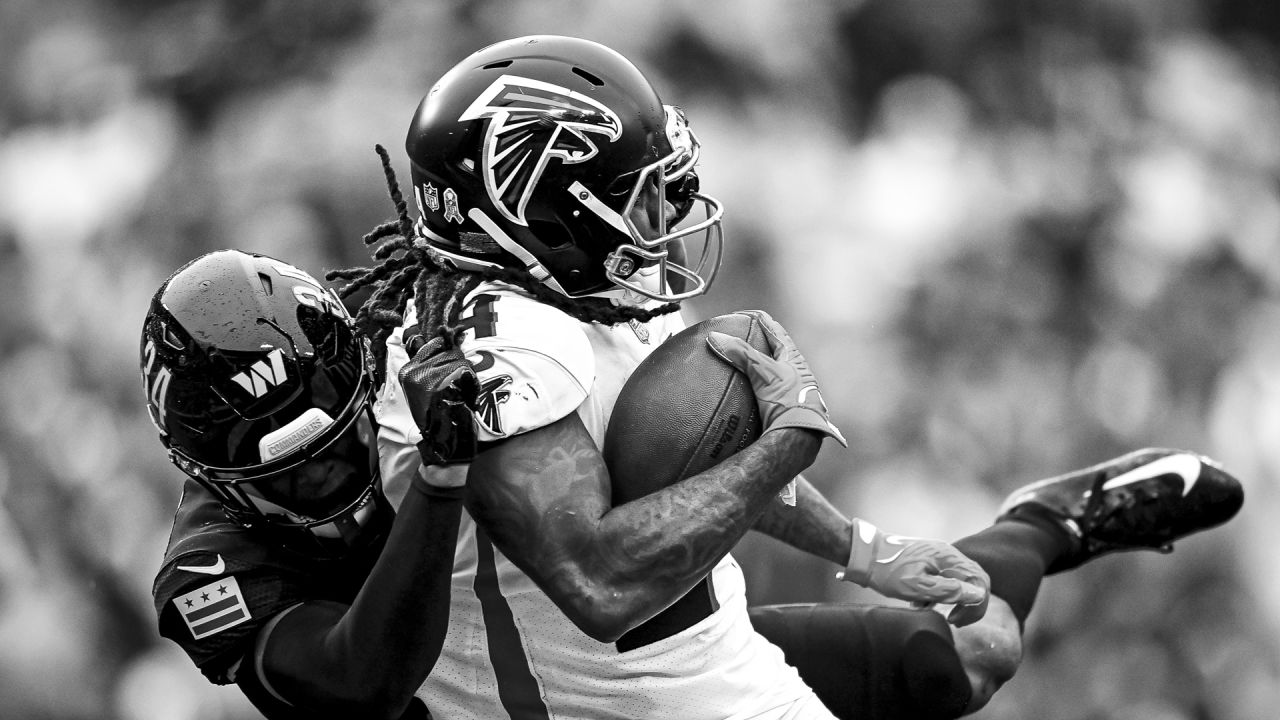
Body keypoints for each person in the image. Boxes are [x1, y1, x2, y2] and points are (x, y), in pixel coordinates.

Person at [330, 34, 1243, 720]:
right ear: (534, 205)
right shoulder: (486, 353)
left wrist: (869, 552)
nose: (664, 215)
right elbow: (599, 584)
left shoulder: (590, 278)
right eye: (636, 191)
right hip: (592, 698)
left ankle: (1044, 523)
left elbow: (692, 454)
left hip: (689, 641)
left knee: (972, 649)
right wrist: (785, 442)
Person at [142, 249, 476, 720]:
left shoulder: (389, 329)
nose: (324, 476)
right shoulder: (206, 571)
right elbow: (362, 683)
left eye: (336, 445)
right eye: (290, 476)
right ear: (211, 477)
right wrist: (441, 474)